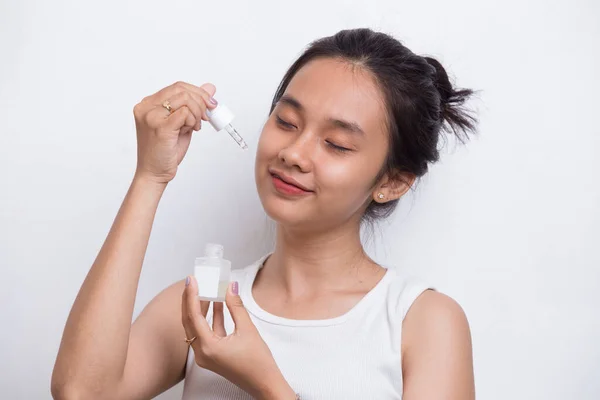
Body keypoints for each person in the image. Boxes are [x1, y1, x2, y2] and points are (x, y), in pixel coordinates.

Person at [51, 28, 477, 400]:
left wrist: (267, 384)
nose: (292, 153)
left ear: (394, 182)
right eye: (287, 122)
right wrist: (150, 177)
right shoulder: (201, 305)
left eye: (337, 144)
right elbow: (81, 392)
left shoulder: (421, 323)